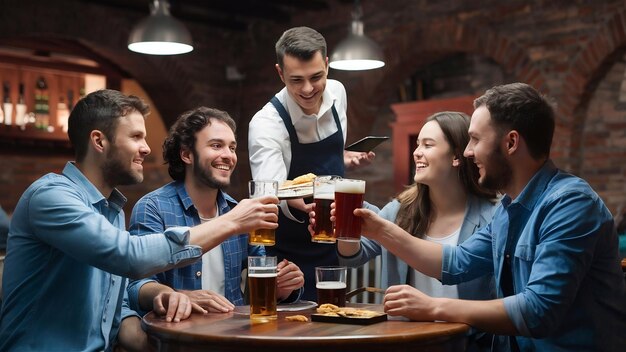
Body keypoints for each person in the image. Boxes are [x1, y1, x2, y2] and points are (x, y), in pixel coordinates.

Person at [352, 83, 626, 351]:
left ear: (511, 142)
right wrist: (378, 230)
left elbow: (538, 310)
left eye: (476, 139)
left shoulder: (570, 204)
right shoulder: (508, 208)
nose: (468, 152)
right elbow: (458, 262)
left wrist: (434, 306)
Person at [0, 90, 279, 352]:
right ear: (99, 141)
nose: (146, 149)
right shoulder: (50, 196)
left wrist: (164, 323)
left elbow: (119, 308)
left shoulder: (112, 212)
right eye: (135, 137)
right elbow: (129, 255)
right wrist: (232, 221)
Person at [333, 111, 498, 351]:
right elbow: (353, 256)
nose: (417, 152)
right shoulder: (400, 210)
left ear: (456, 157)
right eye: (418, 144)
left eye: (428, 145)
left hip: (468, 344)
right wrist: (344, 227)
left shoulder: (492, 216)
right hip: (406, 341)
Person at [127, 107, 304, 319]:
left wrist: (283, 287)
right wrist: (176, 295)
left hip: (234, 334)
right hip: (180, 335)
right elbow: (137, 286)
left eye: (232, 147)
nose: (228, 155)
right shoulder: (152, 207)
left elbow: (262, 273)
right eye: (216, 145)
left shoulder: (237, 210)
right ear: (186, 154)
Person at [248, 26, 375, 301]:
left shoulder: (338, 92)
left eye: (316, 77)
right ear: (280, 73)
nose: (308, 89)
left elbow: (329, 151)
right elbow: (268, 191)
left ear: (327, 65)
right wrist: (294, 199)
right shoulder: (266, 124)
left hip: (334, 244)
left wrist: (343, 159)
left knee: (334, 327)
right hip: (288, 258)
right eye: (296, 80)